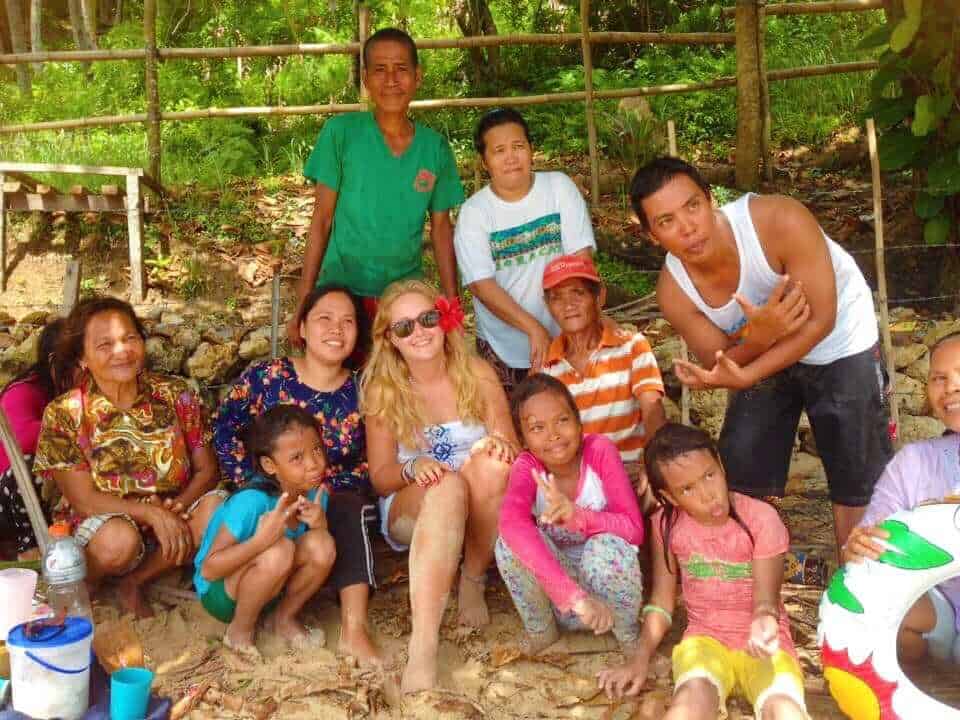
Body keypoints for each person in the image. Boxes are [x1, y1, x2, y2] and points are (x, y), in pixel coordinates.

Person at [629, 156, 892, 551]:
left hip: (840, 339)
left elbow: (820, 319)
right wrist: (761, 336)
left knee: (859, 479)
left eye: (693, 206)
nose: (687, 228)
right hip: (761, 354)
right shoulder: (674, 290)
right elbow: (721, 359)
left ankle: (862, 584)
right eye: (666, 221)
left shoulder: (778, 220)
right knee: (741, 473)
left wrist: (750, 367)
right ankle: (749, 578)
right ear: (652, 235)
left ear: (710, 199)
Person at [361, 279, 517, 693]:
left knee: (492, 464)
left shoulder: (477, 375)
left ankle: (472, 577)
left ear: (445, 319)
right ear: (390, 339)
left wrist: (490, 447)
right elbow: (380, 476)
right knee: (445, 488)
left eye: (427, 318)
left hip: (480, 506)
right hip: (415, 507)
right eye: (404, 327)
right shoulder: (384, 392)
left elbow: (509, 445)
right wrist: (413, 469)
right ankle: (424, 644)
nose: (419, 332)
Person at [213, 285, 381, 665]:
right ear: (302, 327)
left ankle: (352, 628)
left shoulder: (363, 389)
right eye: (325, 318)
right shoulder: (267, 376)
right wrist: (254, 485)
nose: (337, 329)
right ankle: (245, 617)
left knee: (349, 507)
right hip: (266, 494)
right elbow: (224, 429)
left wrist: (321, 488)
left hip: (332, 499)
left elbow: (375, 457)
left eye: (348, 321)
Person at [597, 423, 806, 720]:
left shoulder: (761, 519)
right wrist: (639, 659)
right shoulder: (666, 525)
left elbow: (765, 601)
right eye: (687, 489)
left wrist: (764, 622)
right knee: (688, 706)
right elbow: (662, 601)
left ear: (720, 465)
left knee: (784, 709)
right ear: (669, 497)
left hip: (764, 643)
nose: (708, 495)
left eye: (709, 475)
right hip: (704, 642)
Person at [32, 297, 223, 618]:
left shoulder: (175, 394)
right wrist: (149, 514)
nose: (121, 351)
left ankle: (135, 581)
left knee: (217, 510)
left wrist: (175, 508)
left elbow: (207, 470)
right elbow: (85, 500)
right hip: (105, 524)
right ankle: (91, 584)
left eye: (129, 338)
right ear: (82, 357)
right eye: (104, 344)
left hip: (172, 517)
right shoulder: (66, 412)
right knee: (118, 541)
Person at [288, 27, 464, 346]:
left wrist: (452, 306)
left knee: (401, 387)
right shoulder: (340, 134)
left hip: (402, 298)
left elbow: (441, 229)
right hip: (342, 292)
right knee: (340, 383)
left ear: (418, 76)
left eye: (401, 69)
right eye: (380, 70)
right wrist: (305, 300)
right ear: (366, 79)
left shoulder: (434, 148)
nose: (391, 80)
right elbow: (322, 221)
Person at [496, 373, 644, 656]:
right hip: (565, 600)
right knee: (507, 544)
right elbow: (511, 524)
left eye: (562, 420)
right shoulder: (527, 467)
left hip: (609, 602)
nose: (553, 435)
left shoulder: (599, 451)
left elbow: (634, 529)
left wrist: (579, 518)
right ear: (523, 439)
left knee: (606, 544)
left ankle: (628, 637)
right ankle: (544, 633)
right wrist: (574, 598)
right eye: (537, 428)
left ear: (579, 423)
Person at [453, 107, 595, 393]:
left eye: (518, 146)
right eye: (499, 150)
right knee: (516, 426)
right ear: (484, 161)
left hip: (569, 331)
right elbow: (481, 285)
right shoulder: (474, 213)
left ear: (531, 149)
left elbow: (581, 263)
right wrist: (533, 328)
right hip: (502, 344)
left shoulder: (558, 187)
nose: (511, 157)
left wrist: (577, 328)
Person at [842, 331, 960, 664]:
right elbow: (872, 542)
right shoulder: (915, 462)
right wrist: (860, 547)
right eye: (939, 378)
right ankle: (911, 697)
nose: (951, 386)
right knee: (869, 596)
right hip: (939, 612)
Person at [195, 405, 336, 660]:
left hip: (271, 590)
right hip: (222, 595)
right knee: (279, 550)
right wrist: (259, 542)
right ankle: (239, 632)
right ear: (270, 465)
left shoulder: (314, 495)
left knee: (323, 543)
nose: (314, 464)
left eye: (316, 450)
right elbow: (209, 569)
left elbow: (317, 549)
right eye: (297, 458)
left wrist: (319, 524)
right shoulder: (251, 502)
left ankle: (282, 619)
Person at [539, 254, 665, 497]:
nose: (568, 305)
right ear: (549, 307)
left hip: (632, 473)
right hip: (582, 482)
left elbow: (653, 408)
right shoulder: (548, 367)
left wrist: (652, 462)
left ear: (599, 297)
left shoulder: (632, 346)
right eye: (557, 298)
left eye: (578, 293)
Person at [0, 319, 64, 559]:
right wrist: (76, 430)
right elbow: (23, 438)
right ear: (53, 362)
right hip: (9, 496)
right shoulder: (24, 391)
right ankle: (31, 550)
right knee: (29, 467)